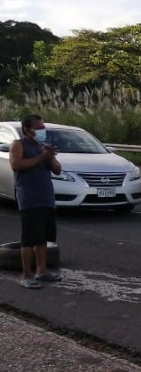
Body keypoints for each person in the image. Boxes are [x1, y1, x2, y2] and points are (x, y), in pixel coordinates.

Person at [9, 114, 62, 289]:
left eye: (43, 127)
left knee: (43, 239)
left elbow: (57, 170)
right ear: (27, 129)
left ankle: (42, 271)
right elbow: (16, 165)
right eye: (38, 128)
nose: (42, 131)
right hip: (29, 198)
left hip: (46, 198)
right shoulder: (18, 145)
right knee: (29, 239)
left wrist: (50, 156)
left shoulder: (42, 147)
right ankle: (26, 275)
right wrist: (41, 158)